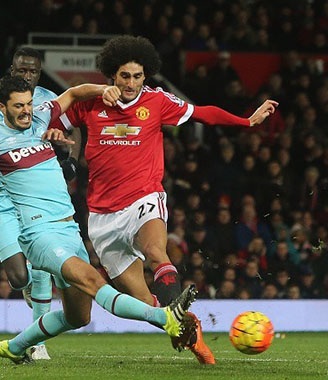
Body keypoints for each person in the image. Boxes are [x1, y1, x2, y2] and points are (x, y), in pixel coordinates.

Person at [0, 76, 197, 364]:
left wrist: (105, 89)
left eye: (28, 104)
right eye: (18, 106)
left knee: (78, 316)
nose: (26, 111)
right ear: (2, 108)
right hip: (38, 234)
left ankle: (15, 346)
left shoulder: (40, 119)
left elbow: (72, 93)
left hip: (68, 228)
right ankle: (166, 316)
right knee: (93, 281)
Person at [51, 35, 278, 365]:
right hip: (101, 216)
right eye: (125, 75)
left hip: (144, 197)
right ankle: (187, 326)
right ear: (112, 74)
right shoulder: (91, 103)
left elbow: (203, 113)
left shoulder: (157, 101)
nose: (131, 83)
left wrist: (246, 121)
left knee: (156, 251)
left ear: (146, 76)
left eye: (138, 76)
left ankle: (182, 316)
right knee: (143, 304)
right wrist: (56, 132)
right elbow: (55, 117)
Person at [0, 47, 82, 360]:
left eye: (33, 71)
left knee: (43, 264)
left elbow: (75, 129)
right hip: (1, 193)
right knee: (21, 277)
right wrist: (7, 168)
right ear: (12, 69)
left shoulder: (47, 101)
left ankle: (37, 343)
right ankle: (30, 288)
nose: (27, 76)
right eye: (22, 70)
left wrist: (71, 162)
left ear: (39, 73)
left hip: (37, 195)